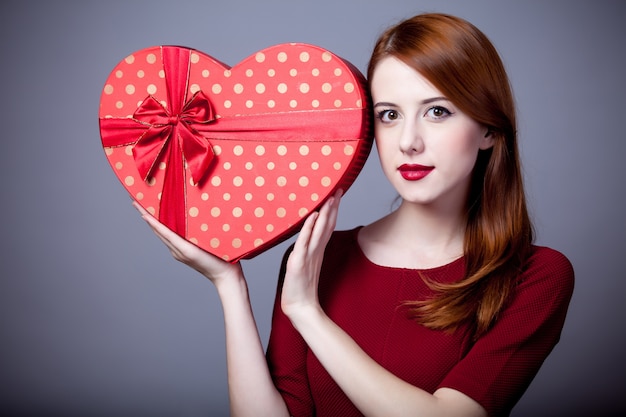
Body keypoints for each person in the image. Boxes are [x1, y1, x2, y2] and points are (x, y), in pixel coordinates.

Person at [134, 13, 574, 417]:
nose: (408, 141)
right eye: (389, 115)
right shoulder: (318, 257)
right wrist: (228, 283)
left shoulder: (535, 276)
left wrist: (307, 312)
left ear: (489, 130)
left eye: (437, 111)